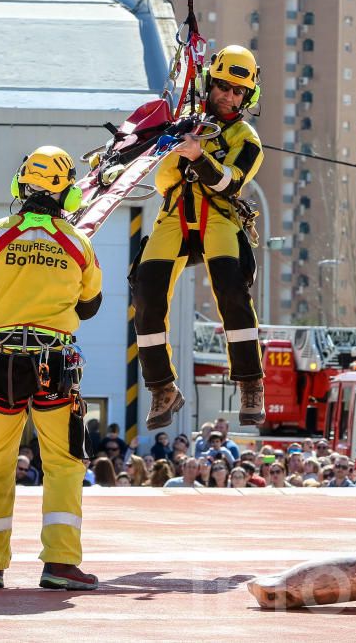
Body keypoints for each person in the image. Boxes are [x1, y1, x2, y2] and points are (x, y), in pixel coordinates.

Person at [0, 145, 102, 591]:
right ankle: (60, 564)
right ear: (68, 194)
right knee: (64, 464)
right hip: (54, 365)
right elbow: (90, 306)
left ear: (21, 184)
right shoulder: (78, 244)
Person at [132, 45, 266, 429]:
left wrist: (196, 155)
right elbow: (154, 164)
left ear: (248, 96)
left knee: (231, 290)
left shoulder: (246, 139)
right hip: (176, 213)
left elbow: (228, 183)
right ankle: (162, 388)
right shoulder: (184, 122)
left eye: (238, 91)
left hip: (219, 217)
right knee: (146, 291)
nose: (229, 96)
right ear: (210, 83)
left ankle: (250, 382)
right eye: (223, 86)